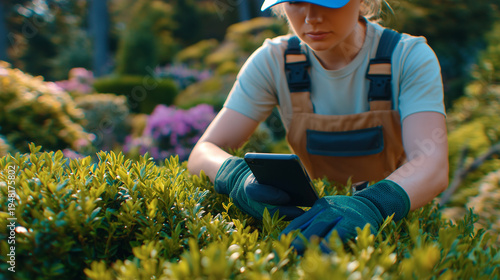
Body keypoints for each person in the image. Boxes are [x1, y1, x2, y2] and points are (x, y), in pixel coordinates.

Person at [188, 0, 449, 251]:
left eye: (328, 1)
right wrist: (236, 175)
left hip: (395, 224)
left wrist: (373, 204)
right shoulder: (272, 61)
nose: (312, 17)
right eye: (296, 1)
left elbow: (431, 162)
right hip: (309, 223)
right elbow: (204, 151)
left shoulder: (407, 57)